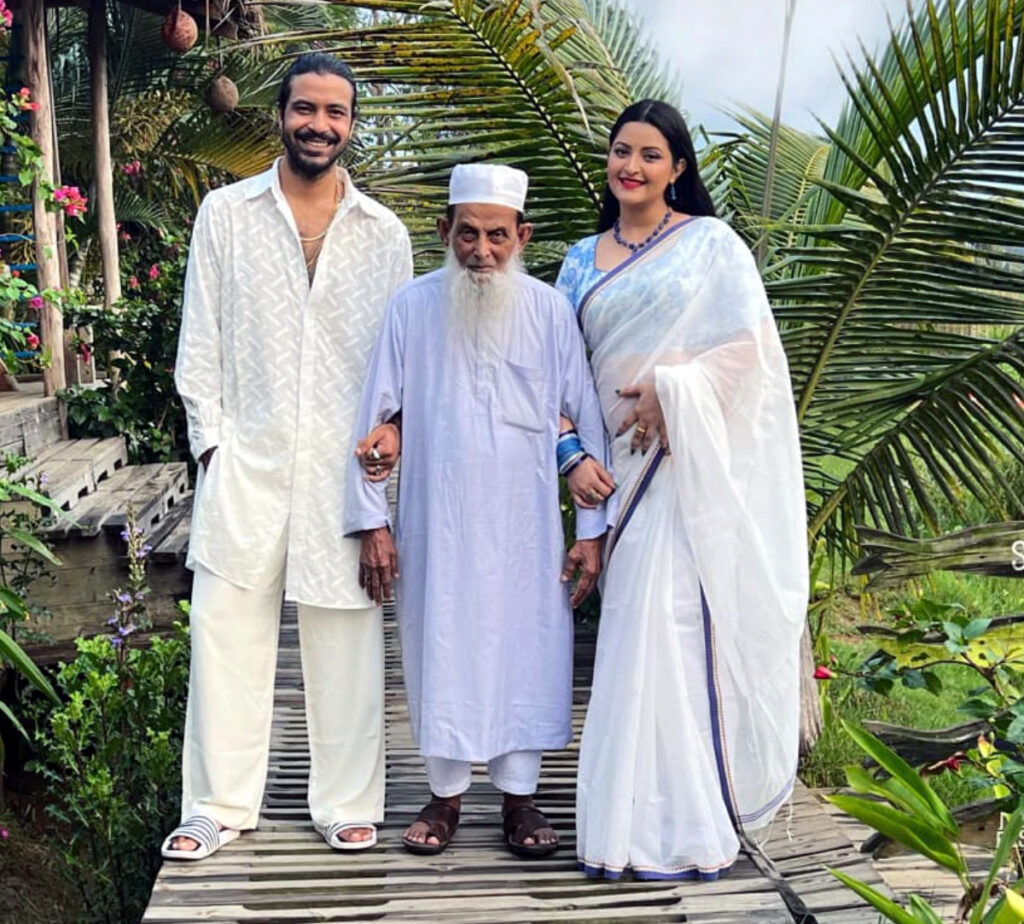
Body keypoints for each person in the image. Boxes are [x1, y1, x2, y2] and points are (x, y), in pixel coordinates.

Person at [162, 52, 413, 860]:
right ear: (280, 113)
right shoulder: (226, 215)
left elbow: (398, 371)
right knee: (225, 634)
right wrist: (214, 449)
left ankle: (345, 801)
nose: (319, 125)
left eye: (335, 113)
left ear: (350, 125)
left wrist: (383, 479)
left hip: (348, 472)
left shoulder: (386, 235)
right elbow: (198, 348)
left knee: (346, 635)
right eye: (306, 109)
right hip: (248, 461)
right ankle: (215, 805)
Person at [555, 99, 808, 881]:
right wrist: (570, 457)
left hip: (681, 470)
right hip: (613, 477)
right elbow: (556, 380)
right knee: (631, 632)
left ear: (678, 168)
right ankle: (621, 826)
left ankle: (686, 822)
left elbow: (749, 355)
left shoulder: (710, 248)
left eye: (650, 155)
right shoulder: (575, 262)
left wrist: (674, 390)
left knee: (670, 627)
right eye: (621, 151)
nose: (631, 166)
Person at [344, 163, 609, 858]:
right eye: (467, 234)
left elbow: (588, 424)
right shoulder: (411, 308)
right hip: (441, 525)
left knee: (527, 652)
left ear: (521, 235)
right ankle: (446, 797)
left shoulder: (550, 311)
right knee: (444, 649)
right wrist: (373, 520)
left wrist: (590, 535)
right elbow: (375, 418)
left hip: (526, 531)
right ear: (444, 232)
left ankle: (521, 803)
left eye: (497, 235)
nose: (481, 250)